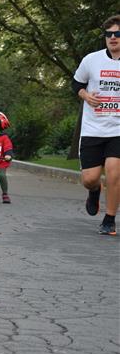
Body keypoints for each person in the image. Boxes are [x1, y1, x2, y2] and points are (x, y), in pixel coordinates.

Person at [72, 14, 120, 236]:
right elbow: (76, 83)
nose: (113, 38)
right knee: (89, 179)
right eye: (109, 34)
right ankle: (94, 190)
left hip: (117, 130)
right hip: (93, 129)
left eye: (117, 34)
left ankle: (109, 219)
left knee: (114, 173)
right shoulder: (91, 60)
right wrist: (85, 95)